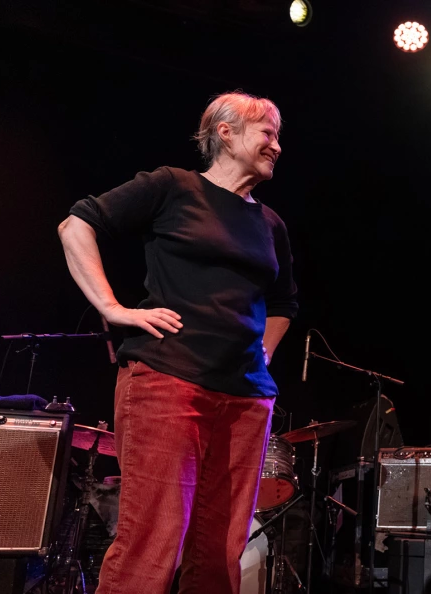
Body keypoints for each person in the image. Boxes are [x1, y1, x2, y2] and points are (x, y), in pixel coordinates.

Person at [58, 91, 298, 594]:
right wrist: (113, 308)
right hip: (168, 382)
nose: (277, 145)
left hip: (246, 399)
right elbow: (76, 224)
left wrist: (264, 352)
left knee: (220, 555)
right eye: (267, 133)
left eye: (278, 136)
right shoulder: (173, 186)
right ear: (225, 133)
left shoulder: (270, 224)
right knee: (153, 543)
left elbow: (284, 304)